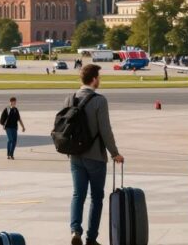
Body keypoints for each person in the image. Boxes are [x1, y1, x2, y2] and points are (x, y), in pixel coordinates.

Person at [66, 63, 123, 245]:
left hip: (75, 156)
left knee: (78, 195)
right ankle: (91, 238)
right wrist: (115, 153)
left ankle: (75, 230)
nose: (100, 80)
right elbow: (105, 130)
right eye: (99, 77)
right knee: (96, 198)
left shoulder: (70, 98)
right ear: (93, 79)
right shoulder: (100, 101)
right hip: (95, 156)